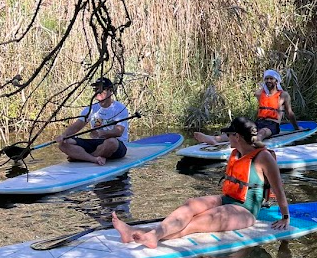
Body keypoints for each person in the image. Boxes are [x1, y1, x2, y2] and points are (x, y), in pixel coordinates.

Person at [112, 116, 291, 247]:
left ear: (237, 136)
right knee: (191, 205)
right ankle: (146, 233)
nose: (227, 138)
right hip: (227, 199)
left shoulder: (263, 157)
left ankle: (148, 236)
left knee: (198, 221)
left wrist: (285, 217)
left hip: (245, 211)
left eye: (229, 135)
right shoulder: (237, 153)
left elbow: (279, 189)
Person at [194, 69, 300, 146]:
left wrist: (296, 128)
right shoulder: (260, 94)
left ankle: (256, 141)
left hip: (272, 125)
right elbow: (261, 96)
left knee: (262, 132)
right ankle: (214, 139)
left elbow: (290, 113)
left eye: (271, 78)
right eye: (266, 79)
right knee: (240, 131)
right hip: (259, 121)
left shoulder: (283, 95)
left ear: (276, 81)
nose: (268, 81)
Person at [56, 77, 129, 165]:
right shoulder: (91, 108)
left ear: (110, 91)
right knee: (63, 143)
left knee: (111, 142)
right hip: (96, 143)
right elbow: (77, 126)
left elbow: (118, 131)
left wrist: (102, 133)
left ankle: (82, 157)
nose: (98, 94)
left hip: (117, 145)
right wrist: (64, 135)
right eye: (96, 90)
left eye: (101, 90)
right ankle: (94, 159)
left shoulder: (120, 108)